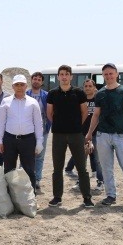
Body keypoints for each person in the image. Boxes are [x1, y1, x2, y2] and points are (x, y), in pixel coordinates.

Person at [85, 64, 123, 208]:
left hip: (122, 136)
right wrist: (90, 133)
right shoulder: (100, 93)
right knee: (106, 168)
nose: (108, 76)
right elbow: (96, 114)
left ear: (116, 74)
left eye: (111, 73)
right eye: (106, 74)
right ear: (103, 76)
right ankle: (110, 195)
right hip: (103, 135)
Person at [46, 65, 94, 208]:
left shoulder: (79, 93)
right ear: (58, 77)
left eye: (67, 74)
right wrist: (59, 124)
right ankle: (57, 197)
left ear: (71, 76)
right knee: (57, 168)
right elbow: (49, 113)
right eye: (61, 74)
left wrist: (77, 126)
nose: (64, 77)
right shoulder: (52, 93)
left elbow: (85, 112)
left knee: (81, 168)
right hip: (58, 135)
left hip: (76, 135)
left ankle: (87, 198)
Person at [0, 75, 43, 190]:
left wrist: (39, 142)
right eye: (17, 85)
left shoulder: (33, 102)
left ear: (26, 86)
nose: (19, 87)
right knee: (8, 169)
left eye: (22, 84)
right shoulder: (5, 101)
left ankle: (30, 197)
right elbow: (1, 122)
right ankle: (11, 197)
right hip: (9, 140)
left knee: (29, 169)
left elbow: (38, 123)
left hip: (28, 140)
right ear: (13, 86)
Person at [65, 79, 104, 192]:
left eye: (90, 86)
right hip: (81, 134)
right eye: (85, 86)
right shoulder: (80, 99)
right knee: (81, 159)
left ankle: (100, 181)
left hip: (96, 134)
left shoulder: (98, 99)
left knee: (98, 160)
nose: (87, 88)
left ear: (94, 87)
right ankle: (80, 181)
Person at [26, 72, 52, 192]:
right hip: (27, 130)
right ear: (31, 80)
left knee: (39, 155)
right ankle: (25, 178)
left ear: (42, 82)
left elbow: (50, 112)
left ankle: (37, 180)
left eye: (39, 79)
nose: (36, 81)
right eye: (34, 79)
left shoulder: (46, 95)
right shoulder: (26, 94)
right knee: (26, 154)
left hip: (42, 130)